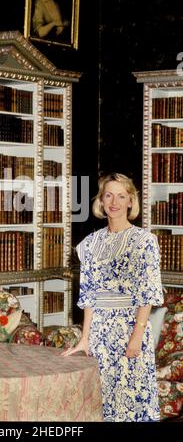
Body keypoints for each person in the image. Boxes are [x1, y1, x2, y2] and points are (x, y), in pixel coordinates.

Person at [62, 173, 164, 422]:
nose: (114, 201)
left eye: (121, 195)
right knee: (101, 405)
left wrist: (136, 337)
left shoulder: (144, 241)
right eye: (108, 195)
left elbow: (147, 292)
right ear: (101, 200)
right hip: (100, 335)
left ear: (131, 201)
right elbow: (89, 297)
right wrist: (85, 339)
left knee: (132, 404)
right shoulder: (89, 243)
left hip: (130, 330)